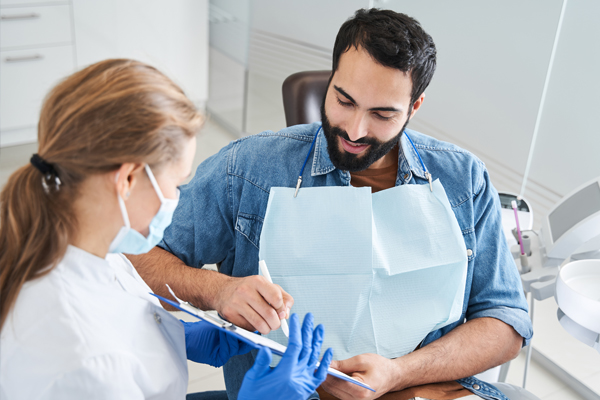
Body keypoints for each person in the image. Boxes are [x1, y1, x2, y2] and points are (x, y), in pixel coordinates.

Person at [129, 9, 533, 400]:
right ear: (331, 80)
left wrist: (399, 373)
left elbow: (505, 322)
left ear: (414, 108)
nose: (355, 130)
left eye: (382, 114)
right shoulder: (247, 169)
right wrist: (217, 290)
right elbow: (137, 256)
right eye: (344, 100)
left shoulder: (463, 179)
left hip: (419, 390)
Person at [0, 59, 333, 399]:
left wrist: (175, 333)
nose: (176, 198)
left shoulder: (79, 243)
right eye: (175, 182)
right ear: (128, 179)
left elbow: (116, 305)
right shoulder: (91, 365)